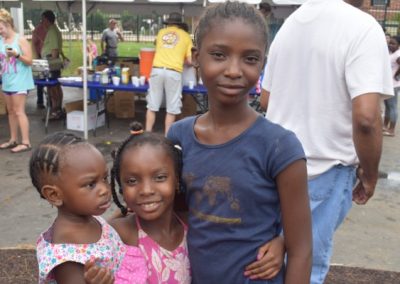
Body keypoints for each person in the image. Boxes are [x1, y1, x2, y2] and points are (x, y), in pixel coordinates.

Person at [167, 2, 312, 283]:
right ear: (197, 57)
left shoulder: (280, 147)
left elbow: (302, 251)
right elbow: (172, 214)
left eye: (250, 58)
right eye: (219, 55)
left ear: (262, 64)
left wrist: (283, 239)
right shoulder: (179, 138)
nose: (234, 70)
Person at [260, 0, 393, 283]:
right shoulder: (362, 27)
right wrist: (369, 175)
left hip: (276, 166)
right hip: (324, 167)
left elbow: (266, 99)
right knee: (306, 269)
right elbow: (367, 118)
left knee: (273, 264)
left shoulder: (291, 25)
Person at [86, 121, 191, 283]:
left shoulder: (190, 228)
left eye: (160, 177)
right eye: (132, 181)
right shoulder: (117, 235)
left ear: (177, 179)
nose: (146, 190)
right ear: (121, 186)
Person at [29, 132, 126, 284]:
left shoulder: (84, 217)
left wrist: (119, 214)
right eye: (91, 184)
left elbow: (102, 234)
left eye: (105, 178)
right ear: (54, 195)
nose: (104, 189)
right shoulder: (67, 257)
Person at [145, 12, 193, 135]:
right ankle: (167, 136)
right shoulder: (186, 36)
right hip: (174, 72)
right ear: (180, 24)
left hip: (157, 69)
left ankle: (147, 133)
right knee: (171, 108)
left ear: (169, 23)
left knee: (152, 105)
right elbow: (190, 60)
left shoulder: (161, 33)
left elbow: (157, 46)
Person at [0, 9, 35, 153]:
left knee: (19, 111)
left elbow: (29, 61)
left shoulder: (20, 40)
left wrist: (17, 55)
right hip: (7, 80)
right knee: (10, 111)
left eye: (1, 28)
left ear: (8, 24)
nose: (0, 31)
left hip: (20, 81)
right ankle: (13, 139)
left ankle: (26, 142)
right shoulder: (1, 41)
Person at [41, 10, 64, 120]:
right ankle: (57, 110)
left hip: (51, 64)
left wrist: (48, 63)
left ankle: (56, 111)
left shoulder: (52, 31)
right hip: (53, 63)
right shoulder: (54, 30)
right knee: (55, 87)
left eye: (42, 19)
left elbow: (54, 51)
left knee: (53, 88)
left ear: (46, 19)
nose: (42, 22)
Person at [383, 35, 400, 137]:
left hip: (394, 84)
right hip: (388, 84)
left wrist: (396, 75)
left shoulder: (398, 54)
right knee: (388, 107)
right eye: (390, 43)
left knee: (392, 107)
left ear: (398, 45)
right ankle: (385, 126)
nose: (390, 45)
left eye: (393, 43)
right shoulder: (391, 53)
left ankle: (391, 130)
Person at [32, 16, 47, 109]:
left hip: (46, 57)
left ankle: (49, 101)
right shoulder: (38, 29)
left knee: (48, 81)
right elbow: (33, 43)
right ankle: (40, 101)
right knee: (41, 80)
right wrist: (37, 57)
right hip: (40, 57)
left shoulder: (50, 28)